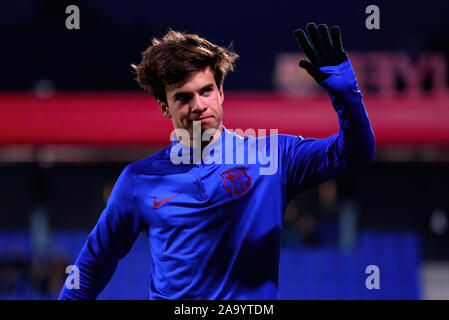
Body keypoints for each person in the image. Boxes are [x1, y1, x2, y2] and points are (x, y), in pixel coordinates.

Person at [59, 23, 375, 300]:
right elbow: (91, 266)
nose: (198, 105)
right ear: (164, 107)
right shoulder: (137, 181)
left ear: (221, 92)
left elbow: (356, 152)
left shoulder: (272, 158)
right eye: (183, 97)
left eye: (206, 91)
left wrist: (346, 93)